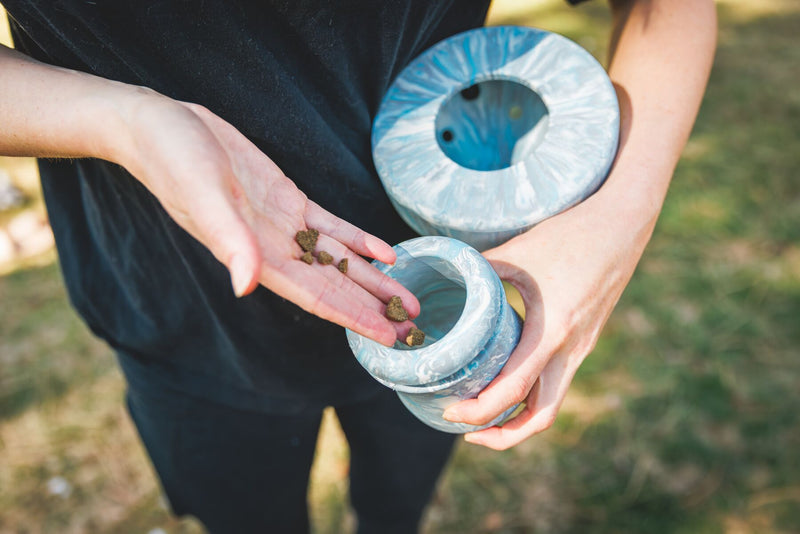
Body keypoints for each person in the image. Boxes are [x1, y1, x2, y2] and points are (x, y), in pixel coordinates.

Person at [0, 0, 716, 532]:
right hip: (182, 309)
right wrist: (124, 121)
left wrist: (620, 219)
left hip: (446, 310)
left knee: (397, 505)